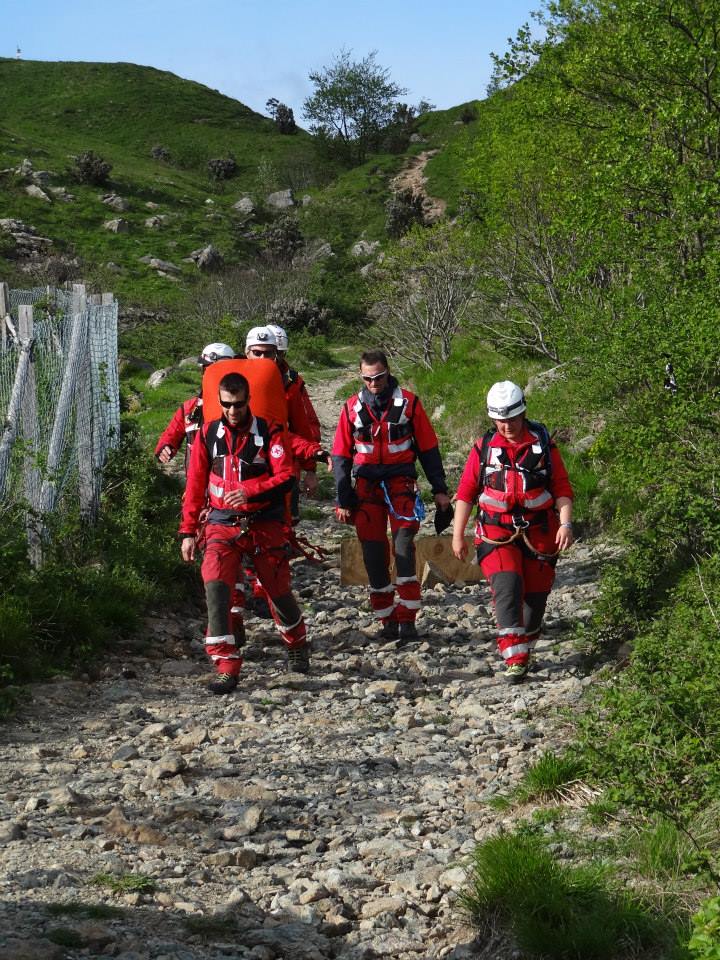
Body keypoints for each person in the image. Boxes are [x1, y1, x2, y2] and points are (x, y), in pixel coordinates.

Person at [179, 371, 312, 693]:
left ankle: (296, 642)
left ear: (248, 400)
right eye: (226, 405)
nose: (233, 411)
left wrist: (251, 490)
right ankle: (226, 665)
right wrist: (187, 530)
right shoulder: (207, 435)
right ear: (219, 402)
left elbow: (286, 478)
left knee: (277, 592)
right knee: (216, 588)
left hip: (264, 523)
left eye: (238, 404)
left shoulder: (270, 432)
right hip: (221, 523)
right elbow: (195, 484)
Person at [451, 381, 574, 683]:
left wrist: (566, 523)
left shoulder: (543, 445)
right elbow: (466, 492)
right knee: (507, 588)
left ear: (523, 414)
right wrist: (458, 535)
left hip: (540, 532)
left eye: (512, 419)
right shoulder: (483, 449)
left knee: (534, 601)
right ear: (493, 419)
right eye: (500, 420)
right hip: (495, 532)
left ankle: (526, 645)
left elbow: (561, 488)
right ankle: (514, 659)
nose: (507, 426)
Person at [332, 349, 451, 642]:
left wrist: (440, 491)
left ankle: (408, 617)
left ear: (388, 372)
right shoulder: (351, 408)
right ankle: (386, 619)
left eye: (379, 377)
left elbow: (428, 449)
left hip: (401, 485)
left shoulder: (409, 403)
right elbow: (340, 456)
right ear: (361, 377)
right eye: (368, 379)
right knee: (373, 555)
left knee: (403, 548)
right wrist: (342, 498)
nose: (374, 383)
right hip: (366, 490)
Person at [247, 324, 322, 514]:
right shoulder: (235, 380)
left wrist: (310, 469)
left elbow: (303, 425)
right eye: (257, 353)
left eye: (270, 354)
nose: (263, 359)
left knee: (285, 520)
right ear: (247, 352)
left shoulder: (291, 383)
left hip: (283, 458)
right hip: (243, 462)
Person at [154, 342, 235, 469]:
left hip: (229, 482)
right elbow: (171, 434)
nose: (210, 375)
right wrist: (166, 447)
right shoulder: (189, 408)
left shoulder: (240, 407)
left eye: (217, 371)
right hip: (195, 484)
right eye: (206, 369)